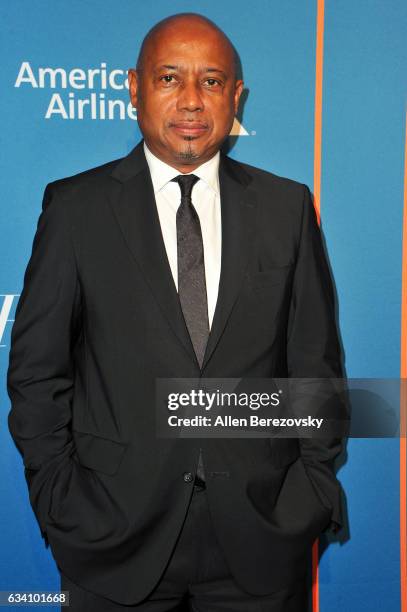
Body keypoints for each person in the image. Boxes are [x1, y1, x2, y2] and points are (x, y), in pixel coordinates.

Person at [7, 12, 346, 612]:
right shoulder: (76, 209)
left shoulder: (286, 208)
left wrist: (309, 494)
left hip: (262, 542)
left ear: (236, 96)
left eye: (212, 82)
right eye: (170, 78)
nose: (192, 100)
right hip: (113, 541)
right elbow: (38, 374)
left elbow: (315, 371)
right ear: (135, 88)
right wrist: (61, 501)